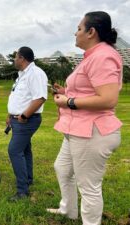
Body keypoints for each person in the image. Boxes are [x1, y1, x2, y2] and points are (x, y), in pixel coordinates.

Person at [47, 11, 123, 225]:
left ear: (91, 32)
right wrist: (67, 92)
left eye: (79, 28)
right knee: (62, 168)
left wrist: (68, 102)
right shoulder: (92, 56)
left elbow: (108, 99)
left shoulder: (103, 56)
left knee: (88, 186)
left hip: (92, 132)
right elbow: (88, 90)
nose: (75, 33)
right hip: (76, 129)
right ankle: (68, 210)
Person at [7, 47, 48, 201]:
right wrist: (10, 115)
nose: (14, 60)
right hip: (17, 119)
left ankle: (22, 191)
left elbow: (40, 98)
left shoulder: (35, 73)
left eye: (15, 57)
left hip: (27, 120)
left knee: (14, 150)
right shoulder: (21, 75)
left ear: (22, 58)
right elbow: (19, 97)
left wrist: (24, 115)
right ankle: (28, 179)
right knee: (24, 150)